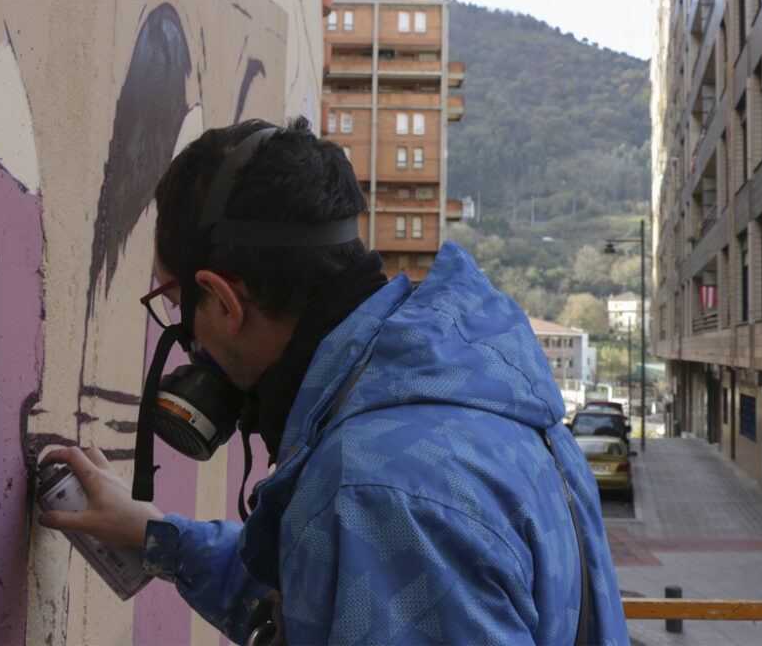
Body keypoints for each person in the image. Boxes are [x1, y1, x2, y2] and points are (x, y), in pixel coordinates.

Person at [40, 117, 629, 644]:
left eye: (177, 305)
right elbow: (319, 594)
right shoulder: (473, 395)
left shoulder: (373, 492)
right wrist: (159, 536)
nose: (186, 339)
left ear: (222, 300)